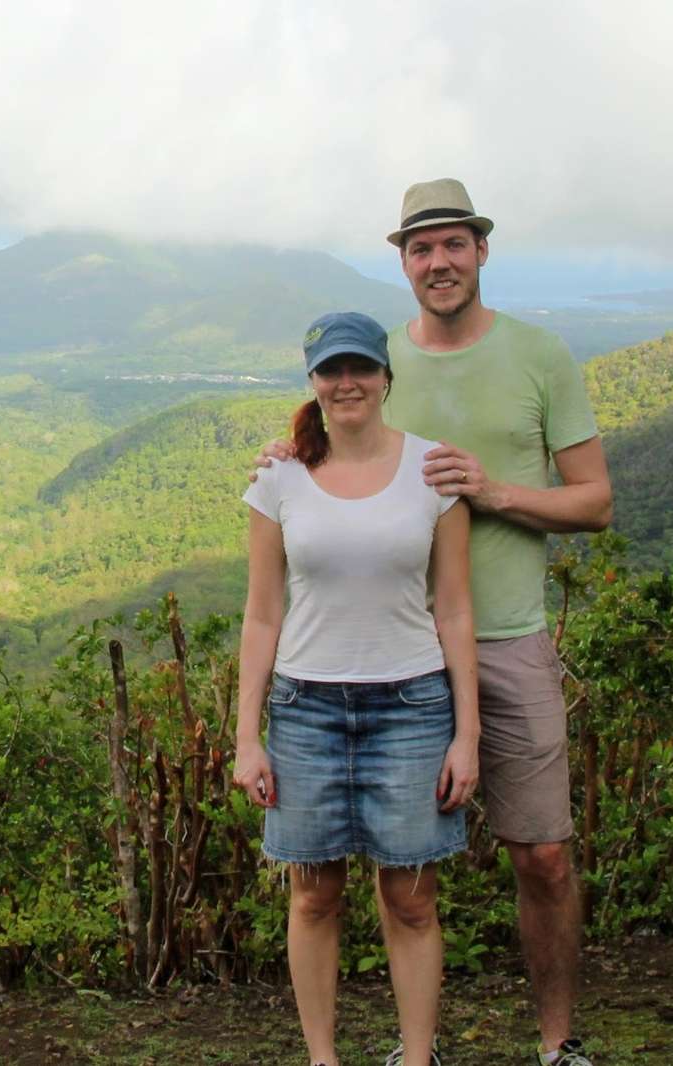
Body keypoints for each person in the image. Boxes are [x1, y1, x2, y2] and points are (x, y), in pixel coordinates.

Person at [258, 180, 612, 1066]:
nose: (439, 262)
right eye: (421, 248)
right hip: (393, 661)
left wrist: (492, 491)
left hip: (507, 634)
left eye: (453, 244)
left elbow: (596, 502)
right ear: (403, 262)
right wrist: (279, 454)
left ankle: (557, 1044)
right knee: (399, 875)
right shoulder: (379, 361)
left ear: (482, 251)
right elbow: (330, 449)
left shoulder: (541, 355)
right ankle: (414, 1048)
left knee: (542, 855)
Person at [234, 311, 480, 1066]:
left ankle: (415, 1056)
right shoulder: (278, 479)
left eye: (361, 369)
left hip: (410, 706)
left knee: (410, 900)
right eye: (331, 370)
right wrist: (247, 737)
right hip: (306, 709)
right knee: (313, 896)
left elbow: (455, 607)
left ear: (385, 377)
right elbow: (262, 613)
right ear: (313, 382)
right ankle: (322, 1057)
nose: (347, 383)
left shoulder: (432, 472)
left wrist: (466, 733)